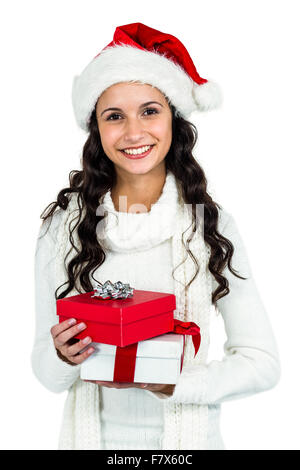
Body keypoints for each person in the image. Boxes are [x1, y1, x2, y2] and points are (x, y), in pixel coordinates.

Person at [31, 22, 280, 450]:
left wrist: (178, 384)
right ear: (96, 130)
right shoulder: (63, 228)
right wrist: (61, 356)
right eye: (114, 116)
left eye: (150, 110)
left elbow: (262, 364)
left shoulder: (212, 228)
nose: (133, 132)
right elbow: (46, 372)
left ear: (174, 121)